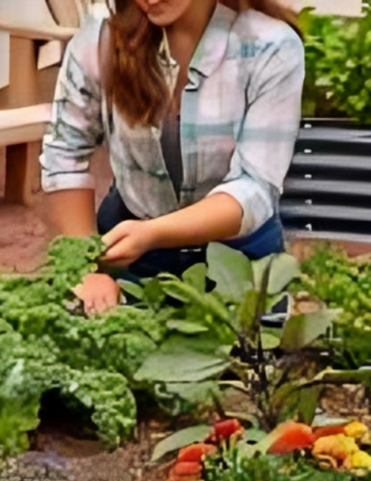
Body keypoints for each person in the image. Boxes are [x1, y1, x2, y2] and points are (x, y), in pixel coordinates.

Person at [40, 0, 305, 313]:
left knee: (251, 357)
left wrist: (153, 234)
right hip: (130, 252)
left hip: (241, 259)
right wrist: (85, 270)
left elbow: (254, 188)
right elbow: (65, 155)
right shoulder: (100, 36)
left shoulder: (269, 47)